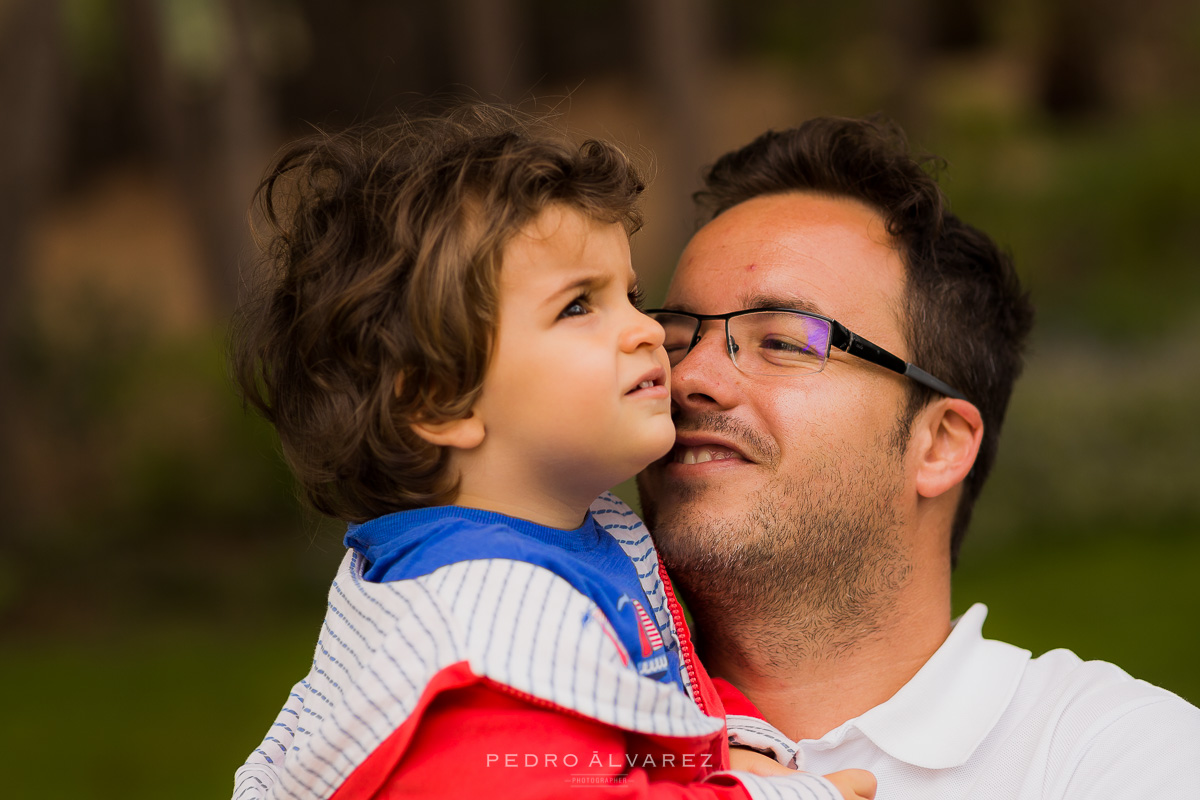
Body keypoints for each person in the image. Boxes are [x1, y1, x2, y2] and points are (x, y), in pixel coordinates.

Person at [227, 106, 873, 800]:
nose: (646, 331)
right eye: (577, 307)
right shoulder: (471, 652)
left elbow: (653, 692)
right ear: (441, 402)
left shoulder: (562, 545)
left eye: (629, 295)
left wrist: (731, 740)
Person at [635, 115, 1200, 797]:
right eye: (671, 338)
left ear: (938, 444)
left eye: (782, 341)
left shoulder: (1112, 758)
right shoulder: (543, 726)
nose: (689, 377)